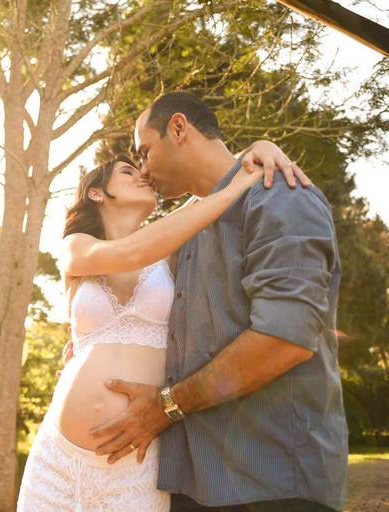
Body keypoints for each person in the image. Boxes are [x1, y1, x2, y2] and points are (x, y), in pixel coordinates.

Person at [15, 129, 310, 510]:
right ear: (96, 193)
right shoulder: (76, 248)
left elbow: (212, 190)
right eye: (127, 171)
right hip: (58, 458)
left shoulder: (172, 254)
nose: (142, 172)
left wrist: (261, 148)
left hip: (137, 457)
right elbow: (131, 251)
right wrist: (231, 190)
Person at [86, 91, 347, 511]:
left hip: (273, 486)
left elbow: (287, 337)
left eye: (145, 151)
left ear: (178, 128)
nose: (143, 168)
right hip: (191, 485)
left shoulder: (279, 193)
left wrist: (165, 406)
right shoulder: (183, 226)